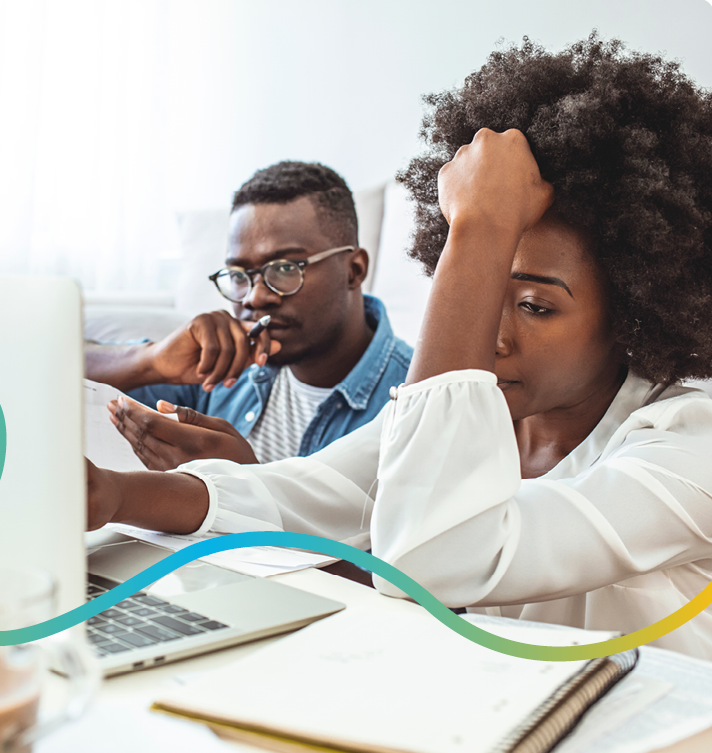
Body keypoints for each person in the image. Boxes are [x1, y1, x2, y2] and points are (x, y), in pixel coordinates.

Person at [87, 34, 712, 659]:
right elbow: (294, 493)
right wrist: (110, 494)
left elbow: (434, 558)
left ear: (633, 313)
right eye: (474, 289)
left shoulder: (688, 449)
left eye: (534, 305)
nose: (486, 339)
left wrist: (481, 226)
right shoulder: (491, 417)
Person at [86, 161, 412, 469]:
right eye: (239, 274)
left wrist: (242, 485)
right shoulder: (226, 367)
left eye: (285, 268)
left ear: (354, 270)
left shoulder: (413, 399)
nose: (255, 297)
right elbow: (55, 373)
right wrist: (151, 360)